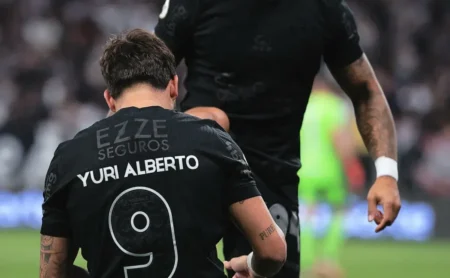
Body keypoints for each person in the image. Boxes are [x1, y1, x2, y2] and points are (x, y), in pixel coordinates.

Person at [154, 0, 402, 277]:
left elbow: (365, 90)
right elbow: (145, 80)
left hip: (273, 176)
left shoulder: (323, 8)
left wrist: (386, 173)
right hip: (195, 165)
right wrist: (176, 130)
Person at [39, 29, 287, 278]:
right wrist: (252, 267)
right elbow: (272, 251)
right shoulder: (211, 141)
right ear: (173, 86)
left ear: (109, 99)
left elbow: (51, 273)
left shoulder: (69, 158)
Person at [298, 79, 363, 275]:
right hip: (330, 169)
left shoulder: (301, 105)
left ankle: (308, 261)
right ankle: (328, 259)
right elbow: (339, 138)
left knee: (306, 214)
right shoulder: (336, 106)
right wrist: (352, 167)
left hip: (303, 169)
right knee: (339, 211)